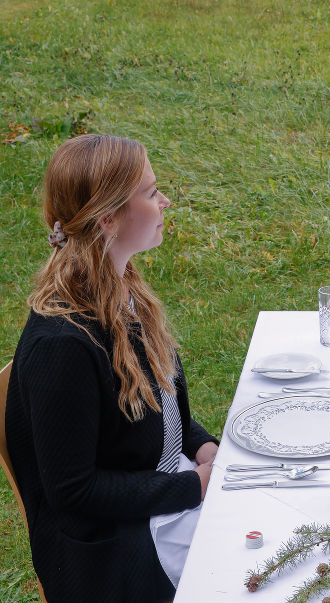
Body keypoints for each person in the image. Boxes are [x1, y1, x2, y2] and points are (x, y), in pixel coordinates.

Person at [5, 134, 219, 602]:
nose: (163, 201)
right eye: (150, 192)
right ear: (108, 219)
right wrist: (188, 488)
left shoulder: (124, 289)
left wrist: (200, 445)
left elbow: (156, 405)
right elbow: (74, 491)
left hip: (160, 493)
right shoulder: (61, 345)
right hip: (115, 546)